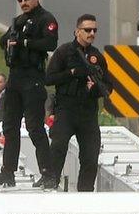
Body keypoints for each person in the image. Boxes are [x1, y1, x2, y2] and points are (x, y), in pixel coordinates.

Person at [0, 0, 57, 188]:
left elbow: (50, 43)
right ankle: (8, 172)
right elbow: (3, 39)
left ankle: (48, 173)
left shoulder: (46, 19)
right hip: (15, 78)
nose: (23, 3)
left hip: (32, 79)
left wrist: (25, 42)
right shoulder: (18, 21)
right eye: (20, 0)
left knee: (34, 127)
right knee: (10, 126)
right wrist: (9, 41)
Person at [42, 14, 112, 191]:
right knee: (58, 147)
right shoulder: (64, 52)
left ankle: (85, 193)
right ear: (77, 31)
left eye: (94, 30)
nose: (92, 34)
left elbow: (108, 86)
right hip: (66, 108)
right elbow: (49, 78)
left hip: (88, 112)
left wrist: (94, 88)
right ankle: (51, 182)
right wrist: (72, 73)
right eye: (87, 30)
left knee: (90, 156)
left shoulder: (97, 57)